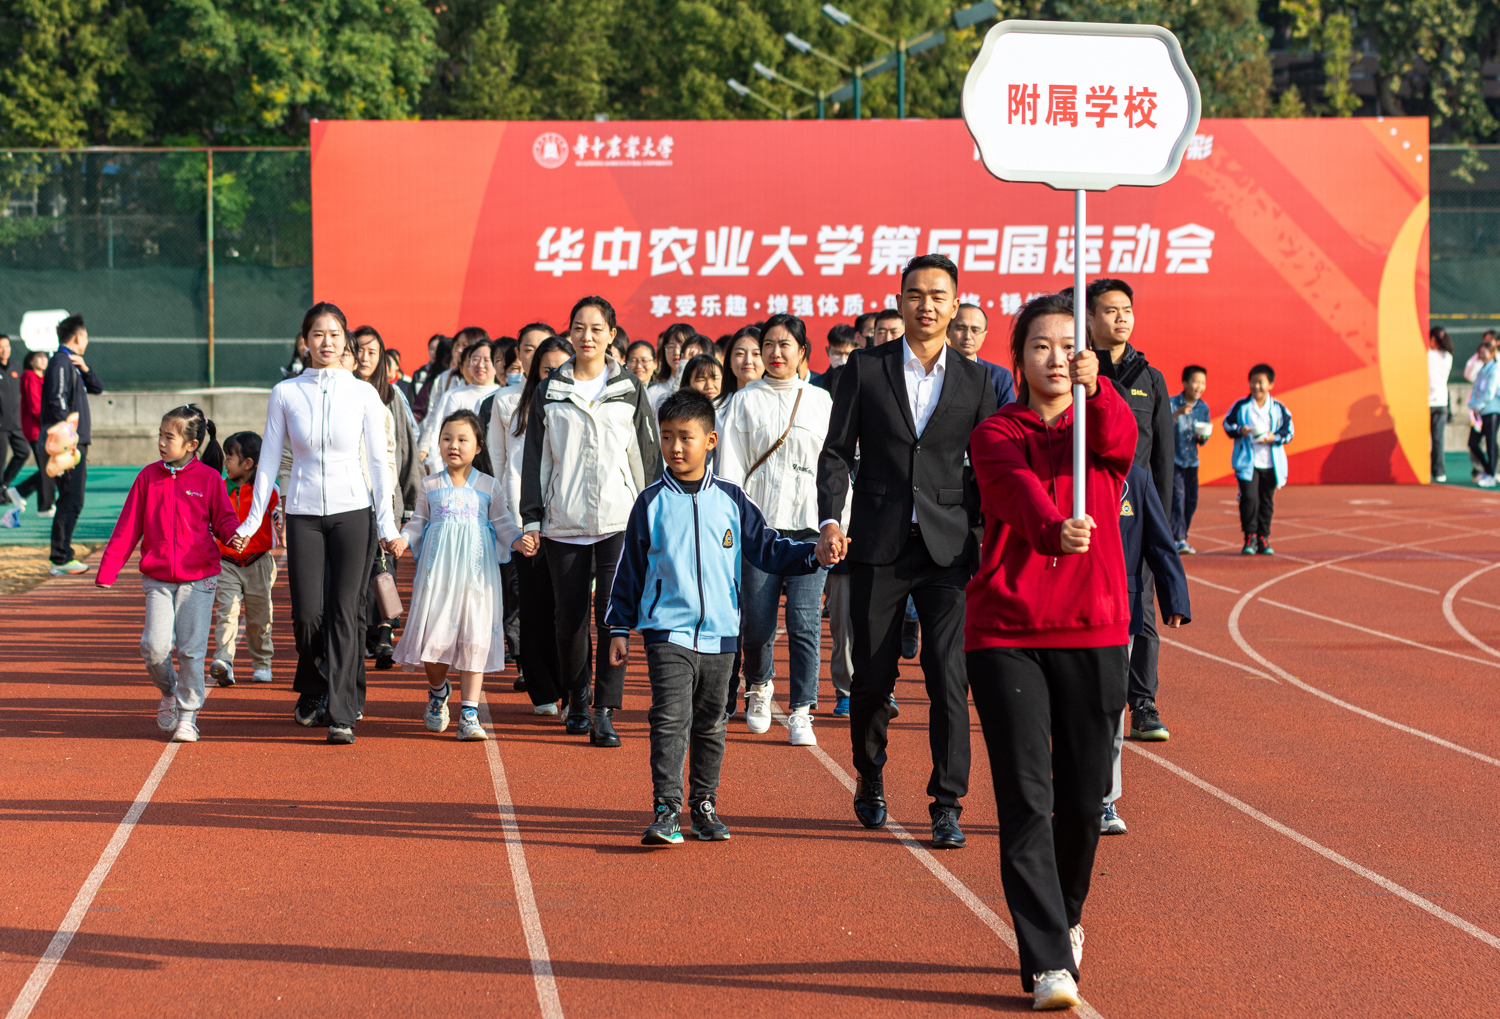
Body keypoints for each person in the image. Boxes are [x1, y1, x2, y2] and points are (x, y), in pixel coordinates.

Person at [964, 291, 1137, 1010]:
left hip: (1094, 628)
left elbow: (1120, 439)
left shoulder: (1101, 425)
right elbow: (1012, 488)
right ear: (1019, 358)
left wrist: (1100, 391)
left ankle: (1065, 915)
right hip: (1007, 631)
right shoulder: (996, 431)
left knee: (1083, 796)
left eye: (1070, 345)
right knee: (1027, 797)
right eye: (1041, 345)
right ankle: (1046, 962)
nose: (1056, 358)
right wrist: (1050, 527)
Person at [816, 253, 998, 849]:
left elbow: (992, 464)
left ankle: (947, 802)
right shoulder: (865, 370)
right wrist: (830, 520)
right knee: (871, 677)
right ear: (899, 301)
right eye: (915, 294)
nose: (927, 305)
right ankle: (870, 776)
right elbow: (837, 452)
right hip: (877, 542)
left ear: (955, 303)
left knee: (949, 678)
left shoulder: (976, 380)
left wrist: (983, 529)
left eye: (938, 295)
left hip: (948, 551)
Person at [607, 388, 834, 844]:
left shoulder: (732, 499)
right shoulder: (650, 502)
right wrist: (618, 626)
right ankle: (666, 808)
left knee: (710, 722)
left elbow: (768, 548)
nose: (675, 447)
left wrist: (815, 556)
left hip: (723, 636)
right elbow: (629, 567)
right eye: (667, 437)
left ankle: (703, 804)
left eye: (685, 437)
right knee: (669, 717)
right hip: (665, 630)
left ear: (710, 440)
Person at [231, 302, 400, 745]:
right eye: (318, 334)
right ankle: (317, 684)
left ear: (345, 339)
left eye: (334, 334)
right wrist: (252, 521)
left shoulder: (363, 393)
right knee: (308, 616)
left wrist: (388, 523)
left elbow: (380, 464)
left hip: (353, 513)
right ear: (304, 342)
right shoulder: (285, 393)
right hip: (304, 513)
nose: (327, 342)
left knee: (347, 612)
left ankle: (342, 711)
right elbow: (268, 460)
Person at [521, 296, 662, 745]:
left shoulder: (629, 388)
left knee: (614, 619)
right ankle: (576, 700)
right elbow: (537, 461)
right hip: (564, 522)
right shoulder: (551, 390)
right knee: (570, 620)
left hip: (618, 521)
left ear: (612, 335)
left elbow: (644, 459)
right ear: (569, 332)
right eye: (579, 328)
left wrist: (653, 516)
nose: (587, 337)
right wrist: (532, 519)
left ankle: (605, 710)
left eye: (597, 329)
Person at [717, 314, 833, 747]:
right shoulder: (744, 402)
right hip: (759, 530)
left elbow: (834, 469)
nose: (775, 353)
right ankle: (759, 686)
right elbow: (728, 471)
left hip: (808, 528)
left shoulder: (821, 401)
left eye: (786, 345)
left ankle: (803, 709)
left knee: (804, 621)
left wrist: (837, 524)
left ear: (803, 352)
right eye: (768, 344)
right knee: (758, 622)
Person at [96, 406, 238, 743]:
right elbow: (127, 527)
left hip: (199, 578)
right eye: (160, 435)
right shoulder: (147, 477)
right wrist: (108, 569)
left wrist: (235, 535)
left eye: (168, 437)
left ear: (191, 444)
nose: (161, 442)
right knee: (154, 648)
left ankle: (188, 716)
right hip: (158, 578)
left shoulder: (208, 479)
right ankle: (169, 690)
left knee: (191, 650)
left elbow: (224, 521)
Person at [389, 409, 529, 741]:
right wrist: (402, 540)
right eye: (447, 439)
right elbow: (418, 521)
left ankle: (469, 713)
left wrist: (519, 542)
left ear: (478, 446)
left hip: (478, 577)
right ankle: (439, 692)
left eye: (463, 439)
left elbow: (504, 524)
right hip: (437, 577)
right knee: (434, 643)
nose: (454, 445)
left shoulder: (489, 486)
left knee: (474, 639)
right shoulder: (429, 484)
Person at [1084, 278, 1172, 745]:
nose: (1122, 318)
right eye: (1111, 310)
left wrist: (1167, 527)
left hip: (1136, 514)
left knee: (1142, 609)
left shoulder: (1150, 378)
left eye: (1127, 310)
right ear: (1091, 318)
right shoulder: (1076, 371)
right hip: (1084, 510)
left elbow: (1163, 458)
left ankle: (1142, 702)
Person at [1102, 462, 1191, 837]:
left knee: (1109, 709)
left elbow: (1159, 541)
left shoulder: (1135, 479)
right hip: (1066, 609)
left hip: (1121, 608)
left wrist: (1175, 597)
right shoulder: (1060, 471)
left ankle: (1104, 801)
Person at [487, 336, 574, 715]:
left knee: (569, 610)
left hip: (571, 521)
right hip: (526, 521)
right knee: (535, 605)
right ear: (534, 369)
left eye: (561, 368)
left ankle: (573, 688)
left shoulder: (579, 404)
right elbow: (499, 460)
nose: (554, 375)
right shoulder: (508, 404)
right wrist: (515, 520)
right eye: (547, 369)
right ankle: (542, 690)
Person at [352, 325, 423, 668]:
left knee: (384, 565)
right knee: (360, 569)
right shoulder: (341, 393)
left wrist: (408, 502)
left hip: (387, 497)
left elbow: (404, 451)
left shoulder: (392, 397)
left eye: (372, 352)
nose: (365, 358)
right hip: (349, 496)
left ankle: (384, 630)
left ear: (382, 358)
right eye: (360, 350)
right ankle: (368, 631)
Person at [210, 431, 278, 687]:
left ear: (248, 463)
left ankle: (262, 663)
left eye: (230, 457)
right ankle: (224, 662)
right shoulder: (219, 487)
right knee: (227, 612)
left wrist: (281, 518)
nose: (225, 462)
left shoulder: (268, 488)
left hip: (259, 562)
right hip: (227, 563)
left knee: (260, 617)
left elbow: (279, 509)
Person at [40, 315, 103, 575]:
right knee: (70, 498)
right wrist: (69, 440)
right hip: (69, 444)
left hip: (75, 442)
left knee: (72, 498)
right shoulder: (60, 362)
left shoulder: (72, 363)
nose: (87, 340)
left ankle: (62, 555)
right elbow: (57, 401)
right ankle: (60, 558)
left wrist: (85, 368)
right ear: (77, 337)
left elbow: (97, 388)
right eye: (86, 336)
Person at [1223, 363, 1294, 551]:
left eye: (1261, 383)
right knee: (1249, 498)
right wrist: (1241, 430)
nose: (1256, 387)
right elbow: (1227, 425)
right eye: (1253, 382)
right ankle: (1250, 537)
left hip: (1271, 464)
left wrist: (1274, 437)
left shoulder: (1279, 408)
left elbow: (1289, 432)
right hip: (1248, 463)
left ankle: (1263, 537)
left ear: (1270, 384)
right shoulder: (1241, 406)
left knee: (1266, 501)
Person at [419, 338, 501, 465]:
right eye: (475, 359)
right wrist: (439, 469)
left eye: (486, 360)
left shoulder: (502, 396)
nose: (480, 365)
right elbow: (439, 434)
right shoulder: (455, 396)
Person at [1169, 365, 1211, 553]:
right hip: (1174, 460)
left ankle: (1180, 534)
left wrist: (1203, 437)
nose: (1199, 386)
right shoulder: (1172, 403)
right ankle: (1179, 538)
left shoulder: (1203, 407)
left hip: (1192, 461)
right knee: (1177, 498)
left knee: (1191, 500)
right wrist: (1176, 415)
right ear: (1185, 383)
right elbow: (1162, 428)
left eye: (1203, 383)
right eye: (1195, 381)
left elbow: (1203, 437)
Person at [9, 351, 55, 516]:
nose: (43, 360)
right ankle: (45, 506)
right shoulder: (29, 377)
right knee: (47, 467)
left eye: (45, 357)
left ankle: (20, 491)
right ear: (30, 361)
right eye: (39, 357)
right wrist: (50, 422)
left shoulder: (43, 378)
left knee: (50, 467)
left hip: (44, 428)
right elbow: (36, 406)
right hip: (36, 430)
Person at [947, 303, 1016, 407]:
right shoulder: (935, 370)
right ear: (947, 332)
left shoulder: (999, 377)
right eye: (961, 328)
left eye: (975, 330)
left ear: (984, 336)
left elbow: (1008, 419)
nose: (968, 336)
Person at [0, 335, 27, 507]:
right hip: (0, 426)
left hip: (16, 424)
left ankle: (4, 485)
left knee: (23, 452)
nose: (4, 350)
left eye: (6, 346)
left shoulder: (16, 367)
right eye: (1, 347)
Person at [1465, 337, 1497, 479]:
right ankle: (1488, 469)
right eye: (1480, 352)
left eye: (1485, 352)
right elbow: (1475, 389)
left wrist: (1478, 406)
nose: (1482, 355)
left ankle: (1491, 474)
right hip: (1479, 413)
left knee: (1490, 442)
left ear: (1491, 353)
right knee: (1473, 443)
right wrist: (1472, 406)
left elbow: (1489, 393)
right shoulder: (1481, 370)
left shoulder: (1495, 370)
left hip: (1492, 411)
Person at [1429, 327, 1454, 483]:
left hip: (1427, 402)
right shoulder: (1448, 357)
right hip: (1442, 402)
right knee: (1438, 440)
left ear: (1433, 340)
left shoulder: (1428, 355)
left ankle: (1423, 470)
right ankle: (1439, 472)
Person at [718, 326, 764, 407]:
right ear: (729, 361)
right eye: (740, 354)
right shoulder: (716, 408)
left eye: (756, 354)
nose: (748, 361)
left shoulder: (777, 403)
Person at [411, 334, 451, 421]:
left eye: (438, 350)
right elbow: (417, 409)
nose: (435, 353)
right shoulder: (421, 375)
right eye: (432, 349)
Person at [817, 324, 858, 395]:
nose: (843, 360)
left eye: (848, 354)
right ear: (828, 351)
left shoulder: (863, 384)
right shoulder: (816, 385)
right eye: (837, 353)